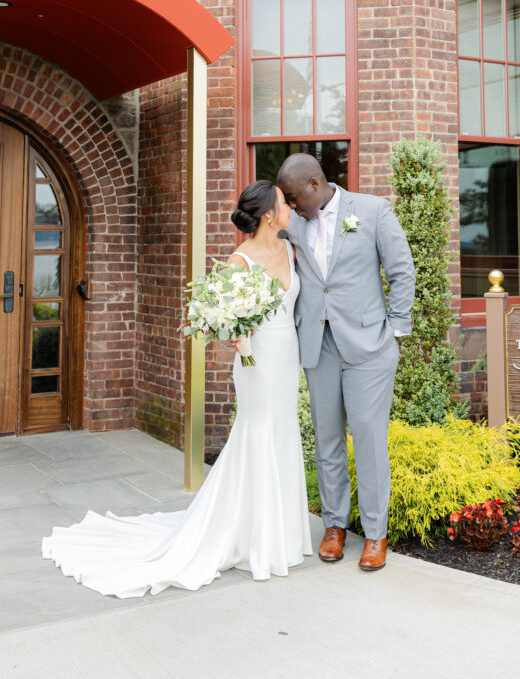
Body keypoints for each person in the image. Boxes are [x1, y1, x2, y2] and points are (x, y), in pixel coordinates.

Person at [42, 181, 312, 596]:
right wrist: (236, 335)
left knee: (283, 431)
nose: (290, 207)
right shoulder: (238, 261)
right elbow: (219, 316)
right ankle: (255, 539)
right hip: (256, 362)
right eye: (283, 203)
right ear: (268, 215)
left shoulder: (291, 249)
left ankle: (284, 536)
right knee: (258, 431)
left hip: (287, 355)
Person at [277, 153, 415, 572]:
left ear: (315, 184)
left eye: (295, 197)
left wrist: (395, 329)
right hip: (318, 345)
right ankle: (335, 525)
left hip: (369, 347)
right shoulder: (293, 223)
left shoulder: (372, 210)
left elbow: (402, 269)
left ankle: (376, 533)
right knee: (327, 439)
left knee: (369, 441)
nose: (291, 206)